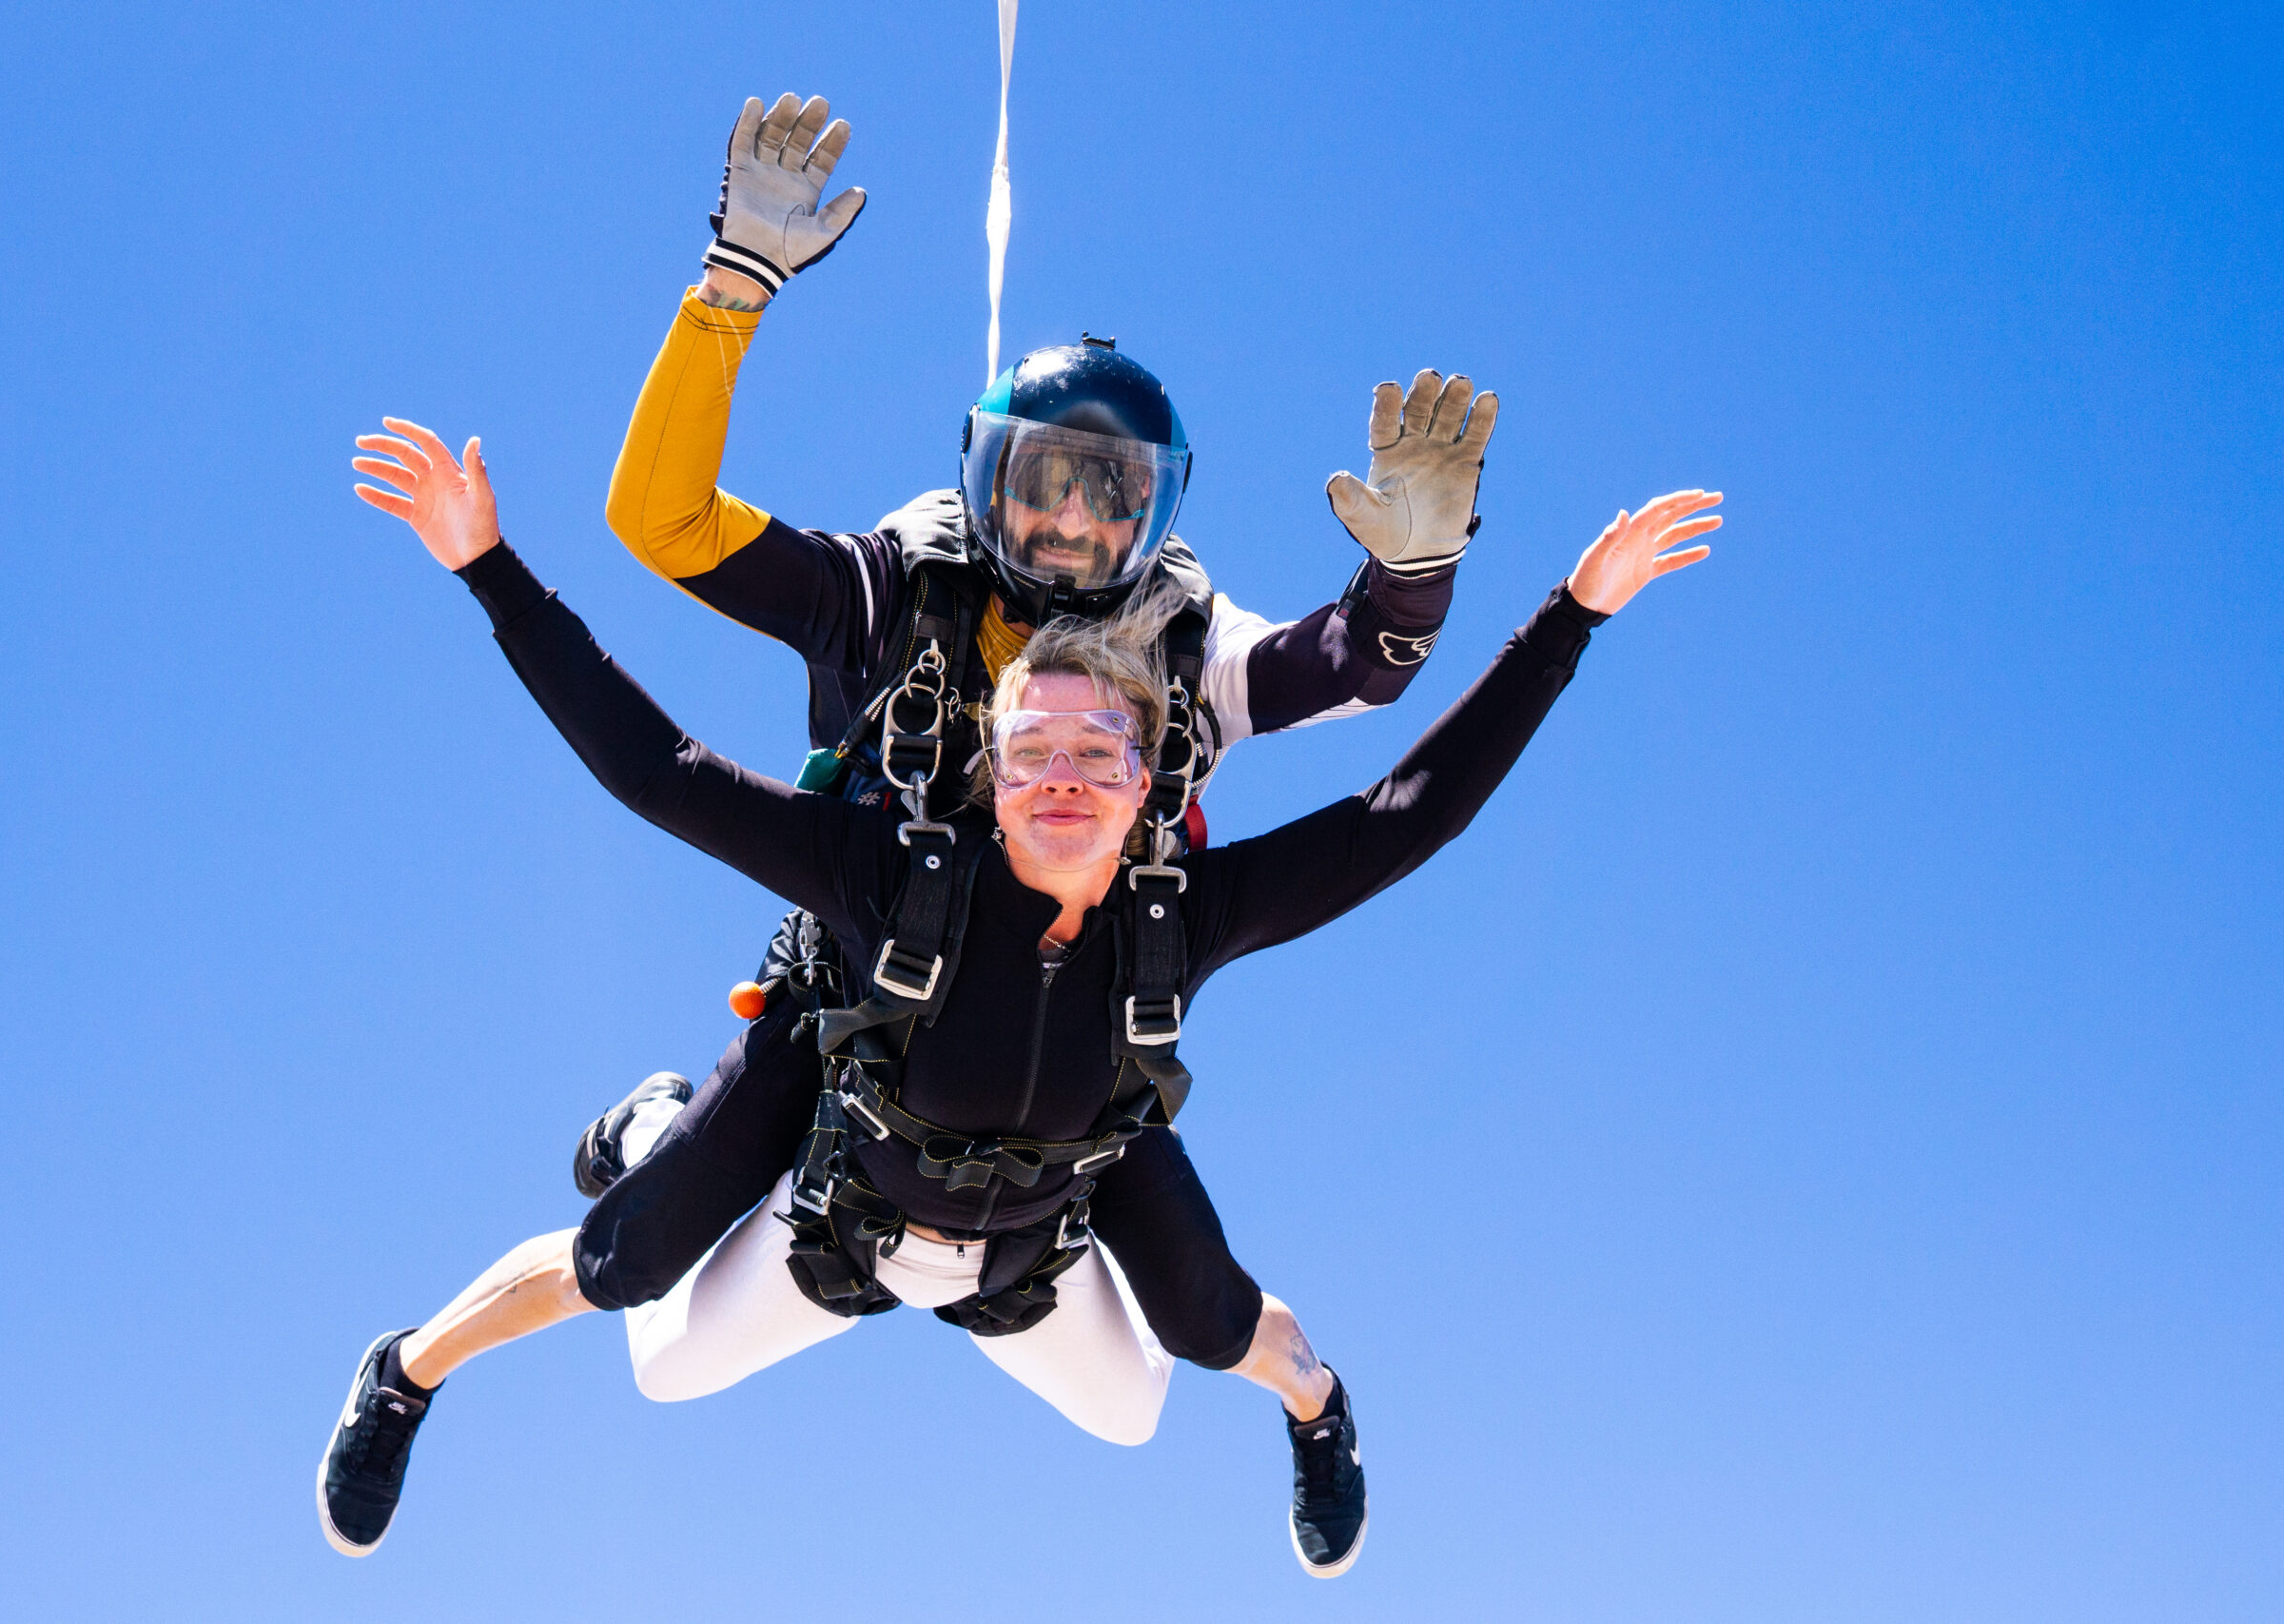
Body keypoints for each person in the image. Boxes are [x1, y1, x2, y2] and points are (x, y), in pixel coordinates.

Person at [320, 406, 1721, 1572]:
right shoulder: (884, 877)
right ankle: (413, 1363)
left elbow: (1407, 815)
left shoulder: (1182, 915)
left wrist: (1569, 616)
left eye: (1101, 756)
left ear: (1152, 785)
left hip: (1041, 1214)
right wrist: (488, 567)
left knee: (1184, 1354)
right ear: (988, 779)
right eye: (1035, 753)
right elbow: (656, 770)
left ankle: (1321, 1406)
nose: (1064, 778)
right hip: (849, 1171)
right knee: (635, 1297)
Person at [523, 93, 1495, 1506]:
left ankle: (1297, 1392)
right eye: (1046, 482)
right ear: (987, 476)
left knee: (1156, 1382)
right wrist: (733, 288)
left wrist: (1412, 577)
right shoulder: (891, 593)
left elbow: (1349, 669)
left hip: (1073, 1042)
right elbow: (659, 522)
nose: (1075, 523)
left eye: (1113, 494)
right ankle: (653, 1127)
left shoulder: (1183, 644)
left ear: (1155, 514)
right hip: (862, 1007)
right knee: (661, 1343)